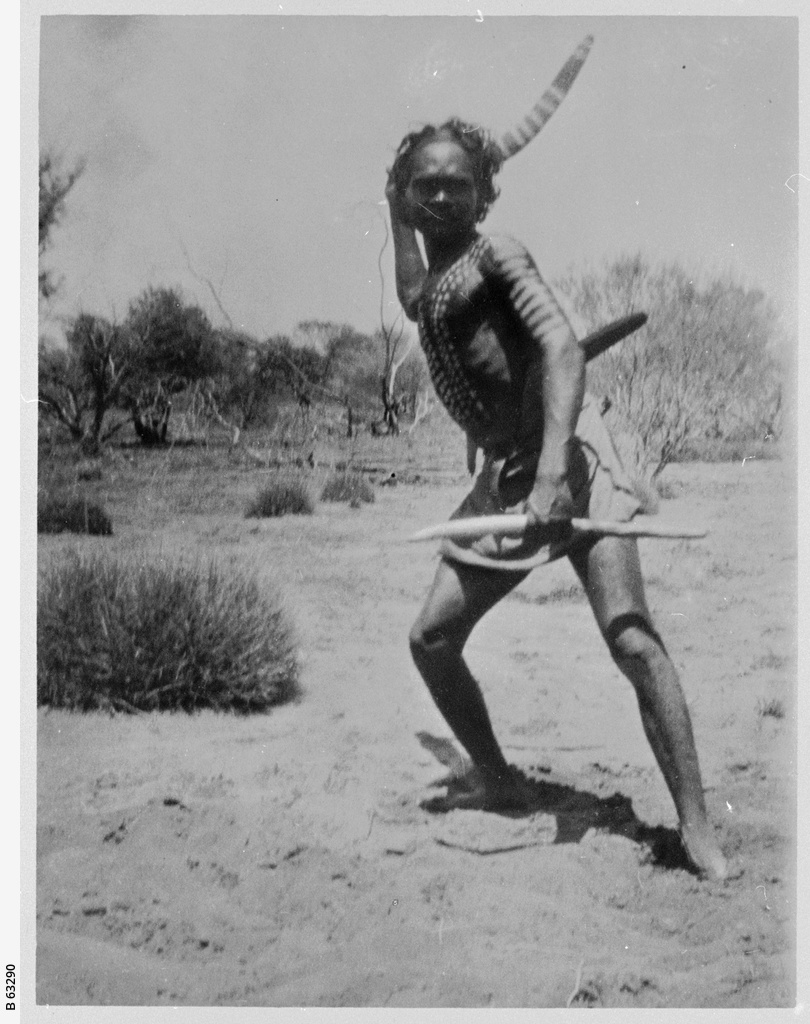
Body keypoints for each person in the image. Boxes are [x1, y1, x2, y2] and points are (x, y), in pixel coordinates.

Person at [385, 117, 729, 881]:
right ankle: (499, 780)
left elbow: (563, 348)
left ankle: (698, 827)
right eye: (424, 186)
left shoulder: (496, 254)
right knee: (432, 640)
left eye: (456, 184)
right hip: (508, 476)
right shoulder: (433, 280)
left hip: (572, 458)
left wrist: (549, 474)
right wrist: (390, 207)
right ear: (408, 198)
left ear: (483, 197)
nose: (441, 196)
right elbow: (413, 294)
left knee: (631, 639)